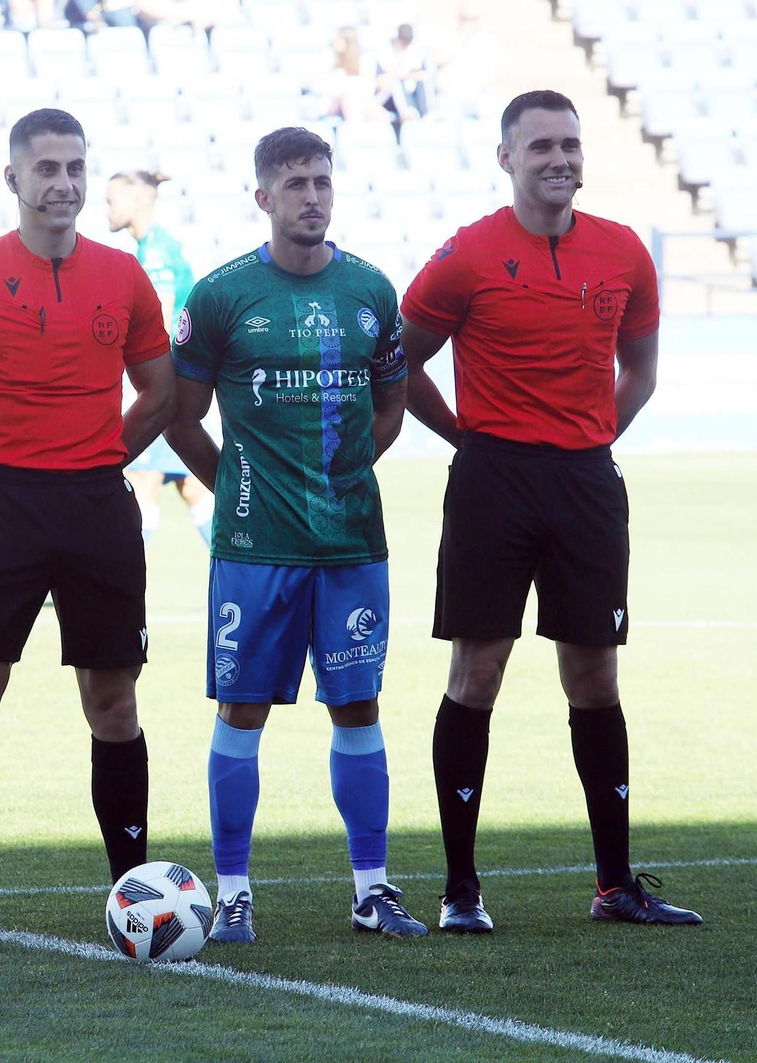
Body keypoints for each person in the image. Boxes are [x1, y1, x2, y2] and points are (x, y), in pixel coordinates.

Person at [398, 90, 702, 932]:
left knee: (595, 676)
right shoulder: (466, 254)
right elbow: (402, 357)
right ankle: (461, 888)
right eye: (540, 146)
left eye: (570, 143)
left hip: (586, 482)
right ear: (506, 158)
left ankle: (614, 885)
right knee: (477, 672)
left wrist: (597, 434)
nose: (559, 158)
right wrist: (465, 436)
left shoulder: (623, 252)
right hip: (492, 476)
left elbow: (638, 369)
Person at [0, 108, 176, 956]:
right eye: (45, 168)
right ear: (13, 179)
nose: (63, 183)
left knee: (114, 702)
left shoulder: (124, 278)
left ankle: (133, 903)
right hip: (3, 508)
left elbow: (159, 393)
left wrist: (93, 461)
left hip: (96, 505)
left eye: (75, 167)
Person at [164, 126, 425, 942]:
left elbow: (391, 406)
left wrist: (345, 471)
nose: (312, 195)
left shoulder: (373, 291)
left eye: (322, 180)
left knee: (359, 705)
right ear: (263, 198)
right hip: (254, 551)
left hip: (351, 545)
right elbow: (179, 419)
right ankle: (234, 889)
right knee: (242, 711)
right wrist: (238, 486)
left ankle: (372, 888)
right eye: (296, 184)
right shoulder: (220, 295)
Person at [106, 169, 213, 547]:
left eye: (111, 199)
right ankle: (241, 563)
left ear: (136, 201)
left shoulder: (154, 253)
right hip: (179, 387)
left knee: (140, 480)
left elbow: (158, 327)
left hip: (165, 388)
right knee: (193, 488)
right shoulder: (158, 246)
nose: (106, 209)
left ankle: (110, 579)